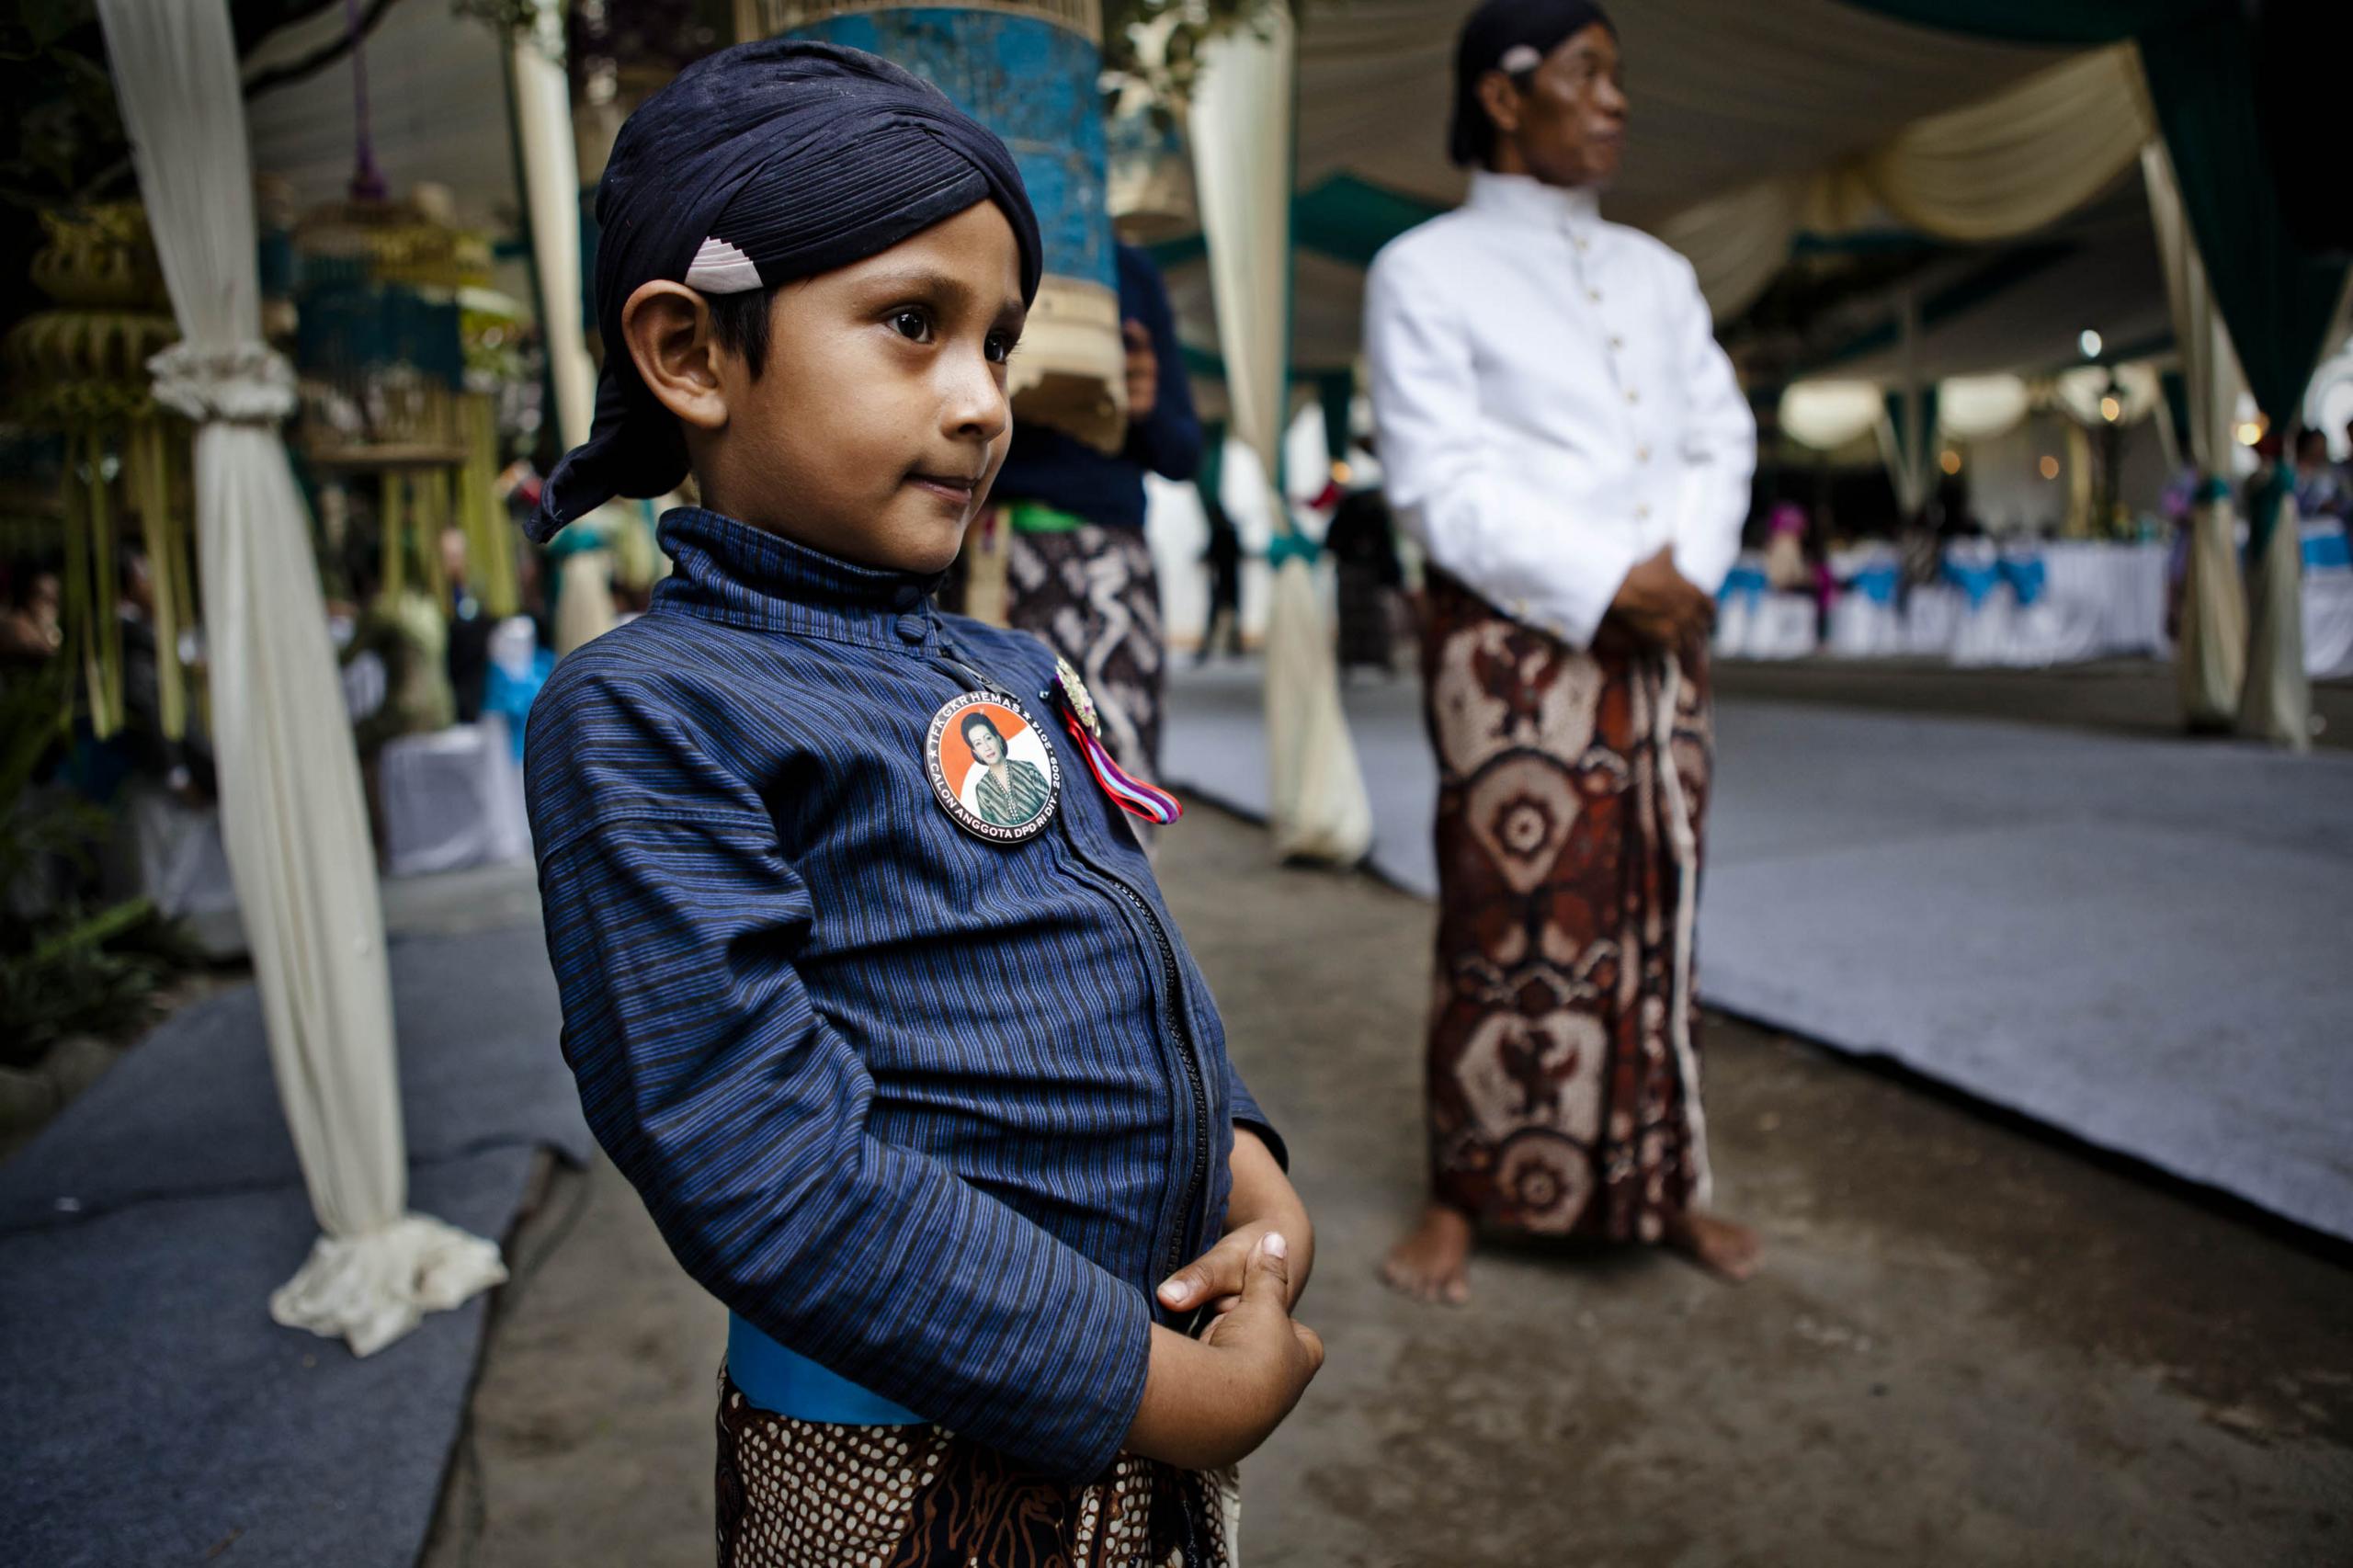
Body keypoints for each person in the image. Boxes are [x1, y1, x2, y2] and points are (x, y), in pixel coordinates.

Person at [517, 41, 1319, 1566]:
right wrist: (1169, 1395)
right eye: (910, 325)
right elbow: (759, 1162)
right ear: (690, 353)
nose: (979, 403)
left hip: (1148, 1404)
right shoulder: (646, 710)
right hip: (902, 1468)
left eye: (1000, 343)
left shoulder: (1010, 657)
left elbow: (1112, 957)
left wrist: (1245, 1162)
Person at [1364, 0, 1761, 1304]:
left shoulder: (1659, 271)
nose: (1617, 101)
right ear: (1501, 94)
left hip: (1664, 632)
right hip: (1516, 641)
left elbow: (1722, 436)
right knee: (1509, 908)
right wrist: (1606, 581)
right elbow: (1435, 484)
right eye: (1587, 76)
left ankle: (1665, 1180)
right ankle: (1462, 1190)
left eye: (1617, 77)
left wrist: (1684, 572)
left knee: (1660, 897)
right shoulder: (1424, 268)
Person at [992, 243, 1200, 782]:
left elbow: (1182, 452)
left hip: (1113, 567)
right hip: (992, 560)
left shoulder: (1127, 272)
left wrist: (1146, 405)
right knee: (1005, 771)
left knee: (1120, 771)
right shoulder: (981, 247)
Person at [960, 708, 1051, 827]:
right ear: (976, 752)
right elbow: (993, 830)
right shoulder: (982, 789)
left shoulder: (1028, 769)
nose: (986, 747)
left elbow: (1050, 809)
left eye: (988, 738)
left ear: (998, 739)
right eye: (978, 743)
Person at [1197, 494, 1245, 664]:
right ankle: (1234, 648)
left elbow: (1212, 555)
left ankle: (1216, 649)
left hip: (1221, 581)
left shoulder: (1220, 533)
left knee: (1216, 617)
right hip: (1230, 580)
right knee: (1230, 616)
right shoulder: (1230, 533)